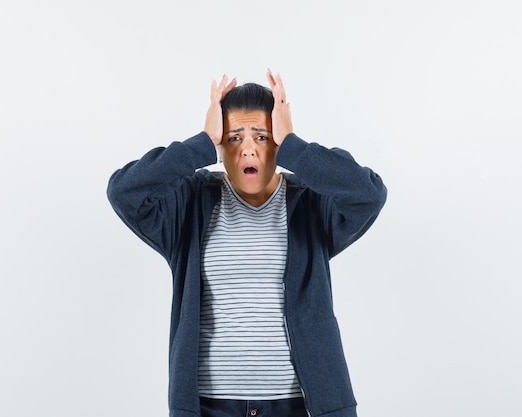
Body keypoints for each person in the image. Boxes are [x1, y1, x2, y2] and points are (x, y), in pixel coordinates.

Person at [107, 70, 387, 417]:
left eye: (262, 136)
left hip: (305, 405)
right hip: (209, 406)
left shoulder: (311, 203)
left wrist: (295, 147)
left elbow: (368, 194)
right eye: (234, 137)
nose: (248, 150)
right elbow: (124, 192)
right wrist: (201, 143)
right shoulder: (189, 204)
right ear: (220, 146)